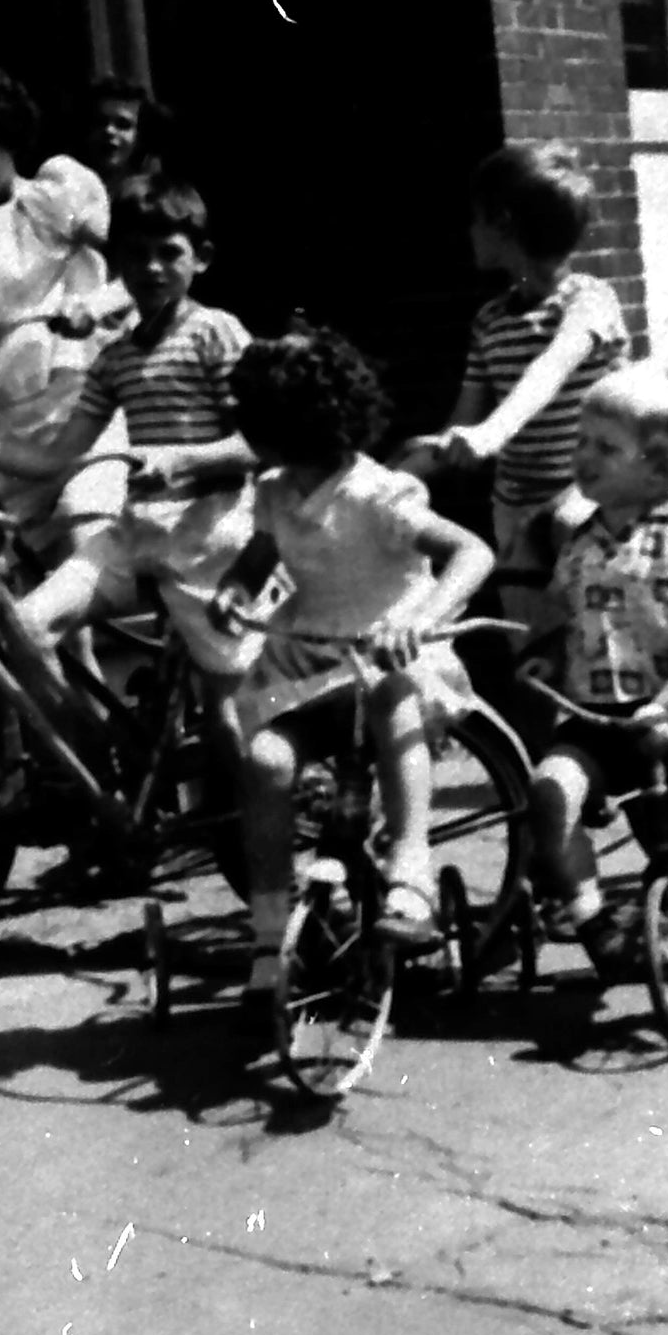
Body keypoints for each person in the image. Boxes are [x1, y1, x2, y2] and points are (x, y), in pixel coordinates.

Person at [210, 326, 494, 1012]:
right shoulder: (276, 490)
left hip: (390, 655)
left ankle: (410, 867)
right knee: (265, 761)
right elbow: (261, 552)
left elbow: (471, 553)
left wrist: (418, 619)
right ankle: (268, 934)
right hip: (310, 662)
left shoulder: (377, 493)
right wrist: (236, 589)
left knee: (391, 698)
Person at [0, 170, 263, 685]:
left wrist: (185, 460)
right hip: (137, 537)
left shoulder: (215, 333)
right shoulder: (114, 359)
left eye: (169, 253)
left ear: (201, 258)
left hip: (209, 540)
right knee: (25, 627)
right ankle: (89, 747)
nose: (151, 268)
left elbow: (259, 443)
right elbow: (53, 458)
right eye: (134, 254)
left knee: (233, 717)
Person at [520, 360, 668, 980]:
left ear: (659, 468)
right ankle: (592, 919)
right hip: (594, 718)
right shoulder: (577, 543)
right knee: (551, 790)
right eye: (581, 442)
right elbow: (559, 620)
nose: (584, 457)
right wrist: (541, 658)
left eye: (605, 447)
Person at [402, 142, 630, 618]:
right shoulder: (491, 321)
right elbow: (461, 422)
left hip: (588, 495)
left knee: (598, 633)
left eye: (476, 218)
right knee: (530, 645)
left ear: (502, 225)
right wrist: (386, 478)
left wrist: (492, 434)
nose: (469, 231)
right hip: (516, 507)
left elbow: (550, 369)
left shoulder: (588, 301)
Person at [0, 65, 133, 547]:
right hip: (2, 435)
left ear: (9, 143)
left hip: (74, 416)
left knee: (85, 534)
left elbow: (134, 269)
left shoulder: (50, 201)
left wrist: (96, 306)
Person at [80, 74, 174, 193]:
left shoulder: (160, 200)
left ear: (140, 136)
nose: (109, 130)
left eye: (123, 125)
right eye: (100, 122)